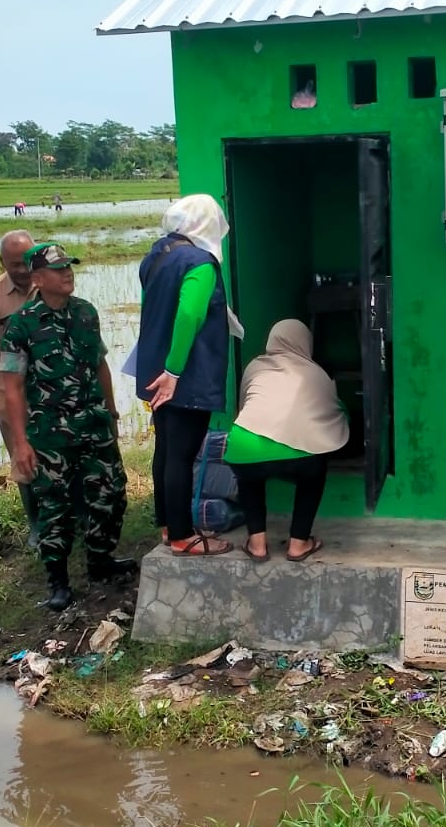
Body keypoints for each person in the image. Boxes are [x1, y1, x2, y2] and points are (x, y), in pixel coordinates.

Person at [0, 243, 136, 610]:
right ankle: (58, 583)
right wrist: (21, 443)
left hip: (94, 424)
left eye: (69, 267)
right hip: (50, 434)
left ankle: (101, 561)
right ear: (39, 279)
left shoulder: (86, 313)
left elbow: (101, 364)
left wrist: (111, 410)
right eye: (58, 270)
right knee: (55, 508)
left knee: (111, 493)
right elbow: (10, 387)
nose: (67, 274)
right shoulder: (21, 325)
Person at [134, 194, 235, 556]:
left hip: (153, 370)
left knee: (166, 449)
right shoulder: (200, 262)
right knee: (182, 453)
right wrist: (174, 372)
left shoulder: (157, 255)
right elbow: (190, 314)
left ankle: (166, 524)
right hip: (183, 376)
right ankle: (182, 536)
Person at [226, 319, 348, 561]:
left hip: (243, 447)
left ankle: (257, 544)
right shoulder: (316, 372)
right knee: (314, 472)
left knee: (249, 476)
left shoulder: (254, 366)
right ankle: (298, 544)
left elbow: (243, 409)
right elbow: (335, 411)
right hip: (299, 460)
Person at [0, 230, 41, 545]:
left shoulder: (49, 283)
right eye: (14, 264)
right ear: (2, 262)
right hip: (14, 391)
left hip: (53, 387)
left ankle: (73, 517)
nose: (22, 269)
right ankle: (36, 525)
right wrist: (0, 388)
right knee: (22, 456)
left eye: (26, 261)